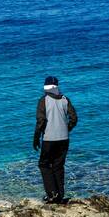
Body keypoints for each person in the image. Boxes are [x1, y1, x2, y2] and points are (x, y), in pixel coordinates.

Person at [33, 75, 77, 204]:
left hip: (49, 139)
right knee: (58, 165)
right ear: (57, 87)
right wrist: (66, 128)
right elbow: (74, 118)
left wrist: (36, 138)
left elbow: (40, 121)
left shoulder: (43, 101)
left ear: (45, 87)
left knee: (44, 165)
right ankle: (60, 195)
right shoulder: (65, 99)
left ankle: (52, 194)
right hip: (64, 139)